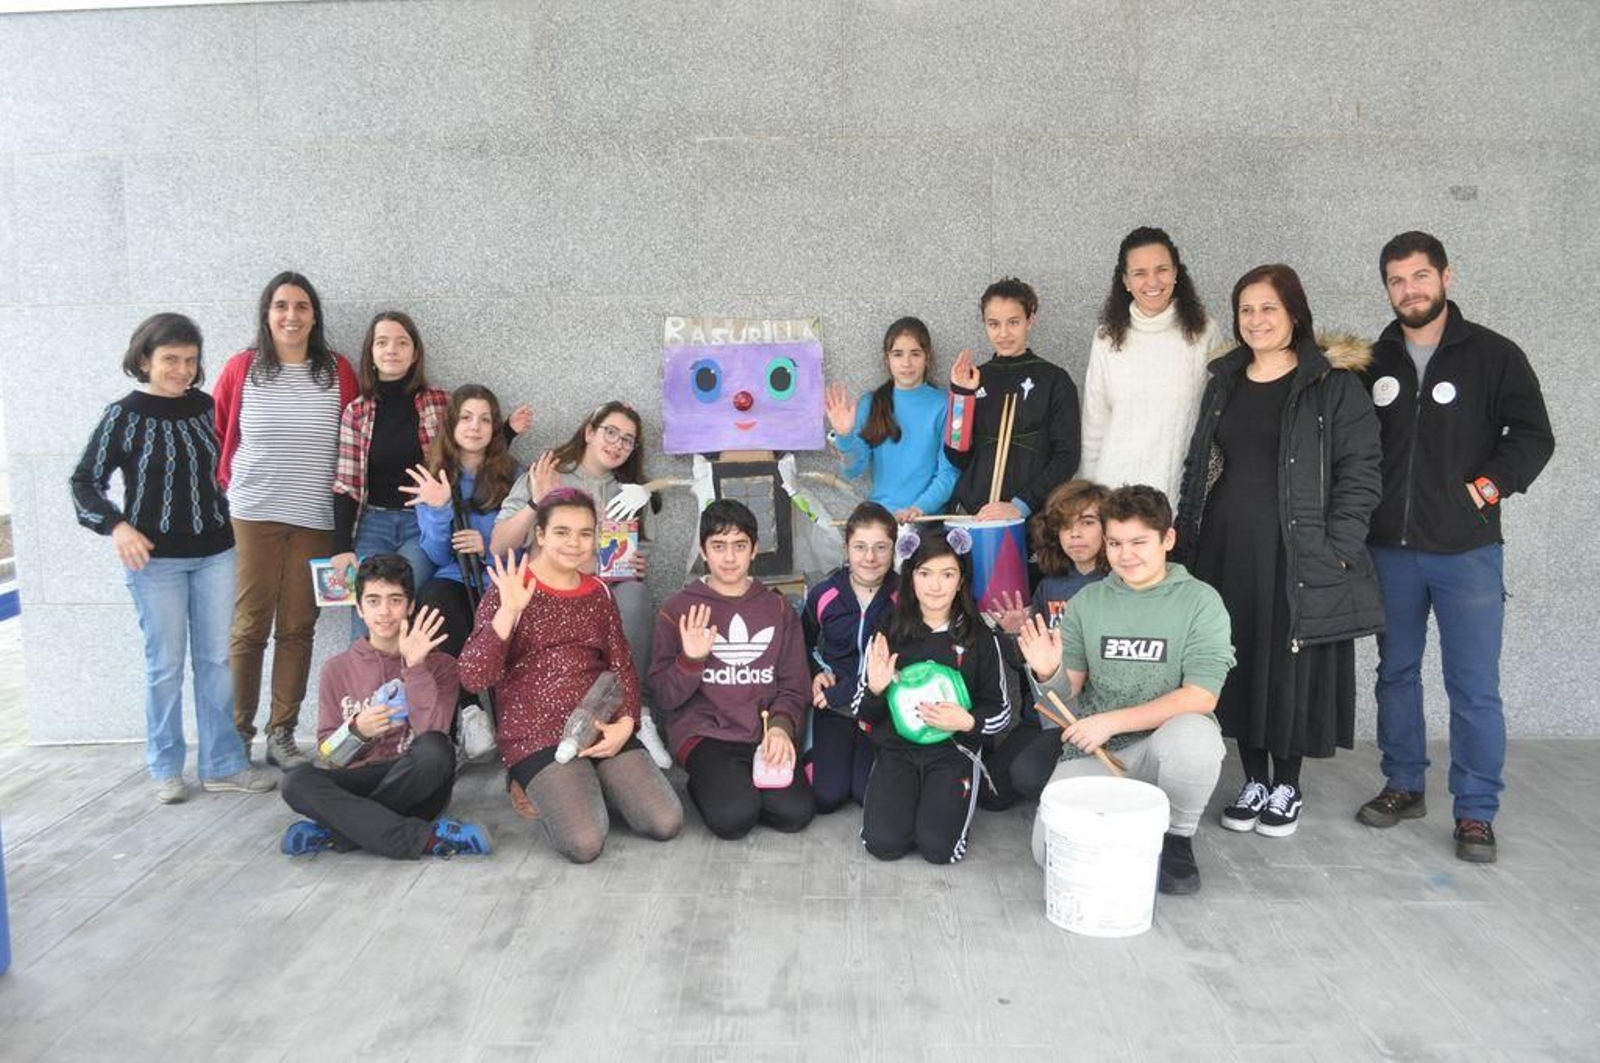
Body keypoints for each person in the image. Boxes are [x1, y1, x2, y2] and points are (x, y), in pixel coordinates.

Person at [1355, 231, 1554, 863]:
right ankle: (1404, 784)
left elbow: (1532, 434)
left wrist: (1489, 487)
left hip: (1467, 550)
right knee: (1396, 674)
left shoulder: (1491, 354)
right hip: (1391, 549)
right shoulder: (1373, 359)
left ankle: (1475, 811)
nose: (1409, 290)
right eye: (1396, 281)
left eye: (1419, 277)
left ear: (1446, 277)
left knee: (1473, 686)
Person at [1174, 264, 1384, 837]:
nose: (1256, 320)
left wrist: (1339, 546)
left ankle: (1288, 785)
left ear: (1294, 313)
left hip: (1298, 548)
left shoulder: (1330, 385)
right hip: (1225, 547)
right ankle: (1254, 779)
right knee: (1238, 660)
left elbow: (1361, 471)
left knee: (1289, 661)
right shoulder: (1225, 381)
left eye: (1268, 308)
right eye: (1246, 310)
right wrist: (1186, 534)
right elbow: (1200, 462)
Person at [70, 313, 277, 803]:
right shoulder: (122, 416)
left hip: (217, 554)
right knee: (164, 666)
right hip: (155, 563)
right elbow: (83, 482)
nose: (182, 369)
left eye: (190, 360)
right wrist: (116, 525)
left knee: (217, 662)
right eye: (170, 360)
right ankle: (165, 767)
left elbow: (232, 465)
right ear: (145, 359)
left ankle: (223, 764)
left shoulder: (208, 408)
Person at [1017, 485, 1232, 894]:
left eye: (1139, 542)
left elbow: (1202, 696)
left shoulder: (1201, 602)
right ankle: (1131, 830)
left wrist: (1111, 722)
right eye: (1115, 543)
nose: (1125, 555)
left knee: (1196, 738)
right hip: (1096, 752)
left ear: (1167, 539)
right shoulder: (1087, 602)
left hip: (1161, 748)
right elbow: (1065, 700)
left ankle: (1176, 838)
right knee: (1051, 854)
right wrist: (1046, 674)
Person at [458, 489, 682, 863]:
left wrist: (626, 722)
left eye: (584, 533)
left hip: (598, 720)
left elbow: (622, 664)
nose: (574, 543)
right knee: (585, 842)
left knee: (665, 820)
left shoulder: (598, 592)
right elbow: (473, 676)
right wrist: (508, 613)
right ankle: (529, 780)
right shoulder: (510, 590)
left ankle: (591, 781)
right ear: (541, 536)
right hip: (535, 732)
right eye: (562, 532)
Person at [212, 272, 358, 769]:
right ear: (266, 313)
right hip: (253, 513)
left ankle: (281, 733)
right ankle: (235, 734)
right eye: (281, 306)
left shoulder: (337, 370)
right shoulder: (242, 368)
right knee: (249, 624)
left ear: (314, 314)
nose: (290, 316)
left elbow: (354, 439)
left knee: (298, 626)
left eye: (300, 306)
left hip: (316, 516)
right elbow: (219, 432)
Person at [489, 400, 669, 766]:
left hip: (603, 592)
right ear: (589, 431)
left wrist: (629, 562)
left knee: (635, 594)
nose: (617, 444)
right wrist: (536, 502)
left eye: (628, 440)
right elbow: (499, 544)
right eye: (610, 432)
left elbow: (628, 561)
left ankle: (639, 714)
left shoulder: (630, 493)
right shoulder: (547, 472)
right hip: (550, 593)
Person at [278, 554, 490, 858]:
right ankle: (424, 839)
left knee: (435, 750)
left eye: (395, 600)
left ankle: (341, 829)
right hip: (358, 777)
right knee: (295, 781)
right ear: (360, 608)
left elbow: (433, 737)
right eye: (374, 601)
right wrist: (357, 732)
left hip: (419, 782)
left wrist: (415, 667)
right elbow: (329, 756)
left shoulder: (441, 665)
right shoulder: (335, 669)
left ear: (411, 605)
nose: (385, 612)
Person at [649, 500, 815, 839]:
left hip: (763, 732)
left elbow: (794, 684)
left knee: (795, 813)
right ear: (703, 550)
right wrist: (690, 661)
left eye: (739, 546)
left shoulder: (778, 608)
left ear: (754, 550)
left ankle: (738, 785)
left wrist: (781, 727)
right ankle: (708, 786)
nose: (729, 557)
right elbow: (663, 696)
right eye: (718, 546)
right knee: (734, 819)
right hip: (705, 734)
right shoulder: (678, 608)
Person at [854, 525, 1011, 863]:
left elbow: (1001, 711)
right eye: (925, 573)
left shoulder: (979, 637)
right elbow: (861, 712)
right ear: (910, 577)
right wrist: (876, 690)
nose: (935, 585)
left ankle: (945, 805)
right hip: (896, 751)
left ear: (962, 579)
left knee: (939, 850)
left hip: (953, 753)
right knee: (883, 844)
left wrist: (968, 721)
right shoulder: (887, 630)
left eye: (947, 574)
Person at [983, 479, 1111, 807]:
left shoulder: (1117, 585)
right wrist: (1014, 632)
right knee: (990, 794)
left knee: (1029, 775)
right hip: (1043, 715)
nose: (1075, 534)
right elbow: (1023, 665)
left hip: (1089, 718)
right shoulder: (1051, 586)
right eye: (1065, 526)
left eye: (1087, 522)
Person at [327, 312, 445, 641]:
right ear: (371, 353)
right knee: (367, 609)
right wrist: (341, 547)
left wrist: (506, 432)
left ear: (415, 352)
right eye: (382, 342)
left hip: (420, 524)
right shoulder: (357, 411)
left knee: (401, 603)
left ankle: (406, 689)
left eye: (401, 342)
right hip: (372, 524)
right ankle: (361, 692)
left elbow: (472, 446)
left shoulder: (438, 402)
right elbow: (345, 483)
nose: (391, 349)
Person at [1080, 227, 1218, 502]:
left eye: (1162, 269)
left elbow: (1215, 419)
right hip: (1115, 491)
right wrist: (1089, 493)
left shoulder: (1204, 332)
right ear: (1125, 281)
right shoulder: (1107, 337)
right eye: (1139, 273)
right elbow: (1094, 421)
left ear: (1177, 272)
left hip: (1179, 492)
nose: (1152, 281)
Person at [944, 277, 1080, 521]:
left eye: (1013, 322)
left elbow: (1067, 456)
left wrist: (1022, 504)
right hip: (975, 514)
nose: (1003, 333)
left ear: (1031, 319)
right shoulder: (976, 378)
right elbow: (957, 456)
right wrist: (961, 396)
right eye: (994, 324)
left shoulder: (1054, 379)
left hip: (1034, 518)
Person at [407, 384, 521, 657]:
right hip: (454, 577)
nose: (475, 426)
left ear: (494, 427)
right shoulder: (433, 476)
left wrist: (488, 547)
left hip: (501, 580)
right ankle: (462, 699)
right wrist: (439, 509)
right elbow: (436, 554)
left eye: (485, 419)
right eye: (466, 417)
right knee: (435, 601)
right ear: (452, 422)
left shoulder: (515, 474)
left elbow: (527, 544)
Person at [801, 502, 898, 813]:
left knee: (865, 794)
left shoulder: (906, 596)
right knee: (826, 797)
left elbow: (909, 658)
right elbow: (802, 643)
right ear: (846, 549)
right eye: (860, 547)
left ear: (894, 549)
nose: (870, 557)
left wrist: (843, 691)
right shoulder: (825, 594)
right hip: (835, 707)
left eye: (881, 547)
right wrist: (816, 670)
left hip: (881, 706)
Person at [822, 317, 958, 521]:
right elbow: (852, 470)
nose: (906, 363)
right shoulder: (871, 403)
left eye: (915, 354)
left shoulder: (946, 405)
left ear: (927, 357)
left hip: (927, 520)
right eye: (897, 354)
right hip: (881, 521)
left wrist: (918, 509)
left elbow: (950, 473)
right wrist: (845, 437)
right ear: (887, 359)